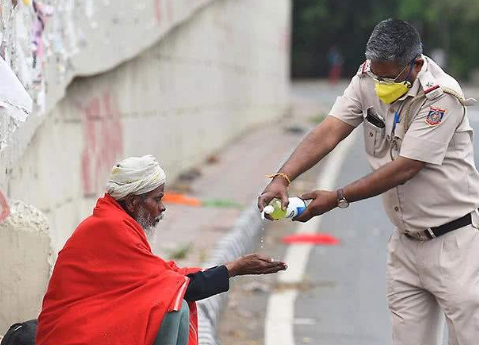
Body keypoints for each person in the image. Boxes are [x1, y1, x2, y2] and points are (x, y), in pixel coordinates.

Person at [258, 19, 479, 345]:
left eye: (388, 76)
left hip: (455, 244)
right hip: (405, 244)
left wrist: (337, 197)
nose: (380, 84)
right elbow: (330, 130)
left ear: (416, 64)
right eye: (376, 74)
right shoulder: (368, 77)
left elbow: (406, 167)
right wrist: (282, 177)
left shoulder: (441, 97)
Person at [36, 155, 286, 345]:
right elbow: (171, 284)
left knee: (171, 296)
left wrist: (231, 269)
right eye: (157, 200)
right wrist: (234, 269)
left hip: (87, 324)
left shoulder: (116, 220)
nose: (162, 208)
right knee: (170, 306)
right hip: (70, 333)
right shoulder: (110, 227)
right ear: (134, 202)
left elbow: (163, 275)